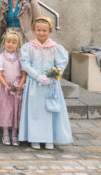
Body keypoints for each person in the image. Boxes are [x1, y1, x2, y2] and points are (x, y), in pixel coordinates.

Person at [18, 17, 72, 149]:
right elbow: (25, 63)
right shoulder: (28, 47)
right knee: (35, 111)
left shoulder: (56, 48)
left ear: (50, 31)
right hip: (34, 84)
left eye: (44, 30)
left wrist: (51, 77)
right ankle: (34, 138)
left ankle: (49, 138)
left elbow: (60, 64)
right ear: (34, 30)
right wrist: (37, 76)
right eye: (39, 30)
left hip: (50, 85)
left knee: (49, 112)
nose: (41, 33)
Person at [0, 30, 26, 146]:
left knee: (16, 110)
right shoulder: (0, 58)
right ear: (4, 42)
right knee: (6, 110)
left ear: (18, 45)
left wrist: (19, 85)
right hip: (5, 88)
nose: (10, 44)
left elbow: (24, 74)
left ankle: (14, 134)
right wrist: (7, 86)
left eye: (13, 43)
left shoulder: (21, 58)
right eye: (8, 42)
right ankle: (5, 134)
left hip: (17, 88)